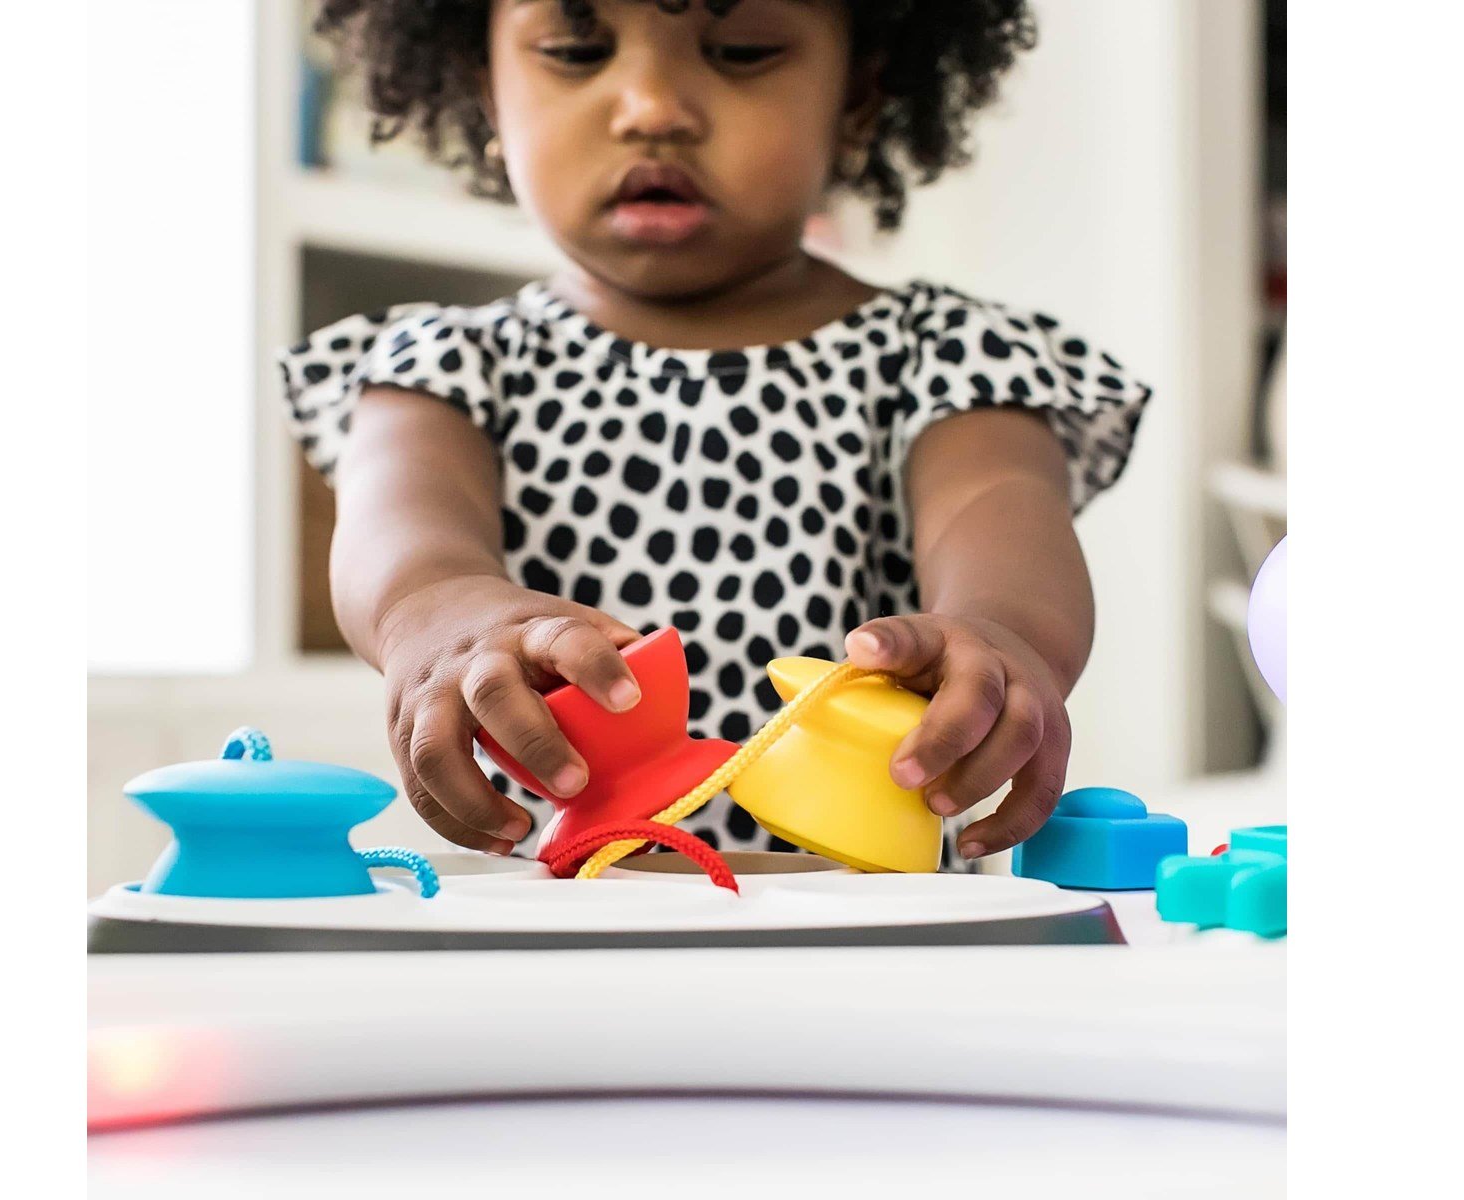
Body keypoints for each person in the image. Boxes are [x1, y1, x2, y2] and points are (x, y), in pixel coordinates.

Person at [280, 0, 1149, 868]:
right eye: (575, 51)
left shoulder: (950, 357)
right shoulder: (444, 367)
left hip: (868, 924)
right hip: (563, 925)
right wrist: (446, 621)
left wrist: (999, 639)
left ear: (856, 96)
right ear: (487, 92)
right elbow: (405, 552)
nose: (652, 108)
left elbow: (999, 516)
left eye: (741, 50)